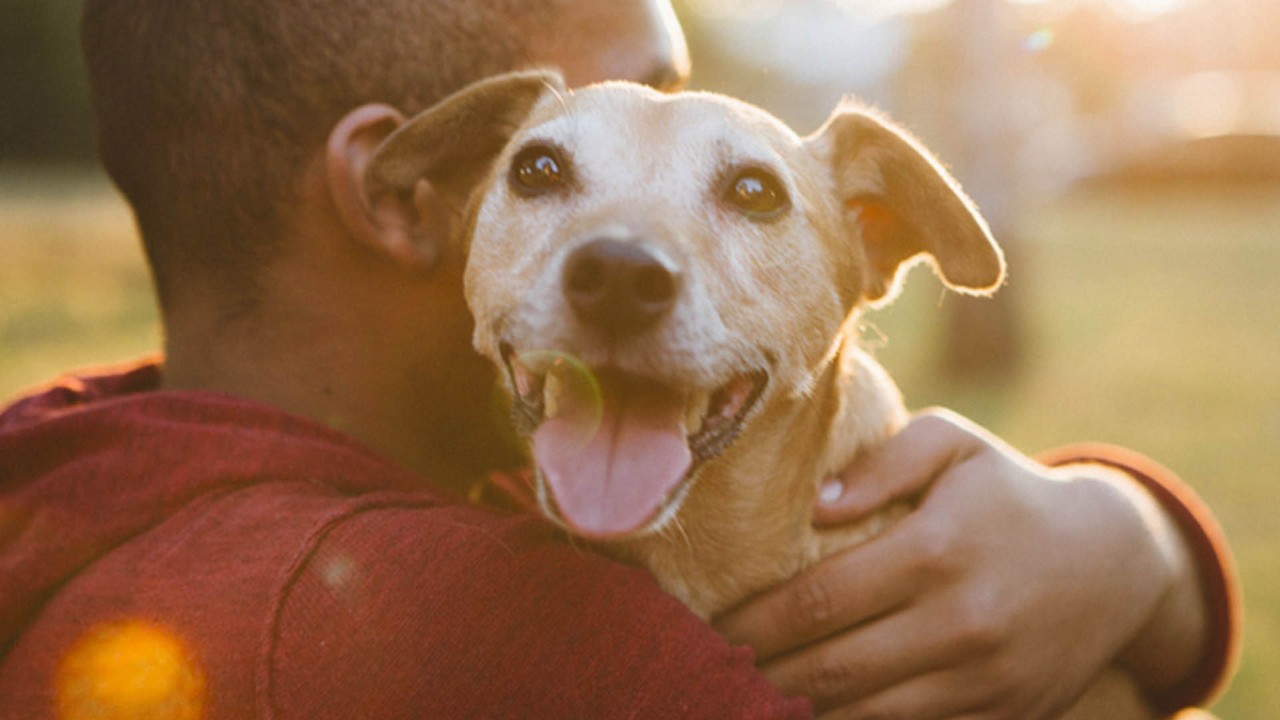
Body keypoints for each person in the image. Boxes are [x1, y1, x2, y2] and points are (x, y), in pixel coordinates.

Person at [0, 1, 1237, 718]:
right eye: (548, 164)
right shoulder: (539, 642)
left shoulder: (95, 471)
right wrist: (1141, 556)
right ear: (414, 189)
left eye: (743, 188)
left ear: (870, 243)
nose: (631, 253)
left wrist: (1130, 540)